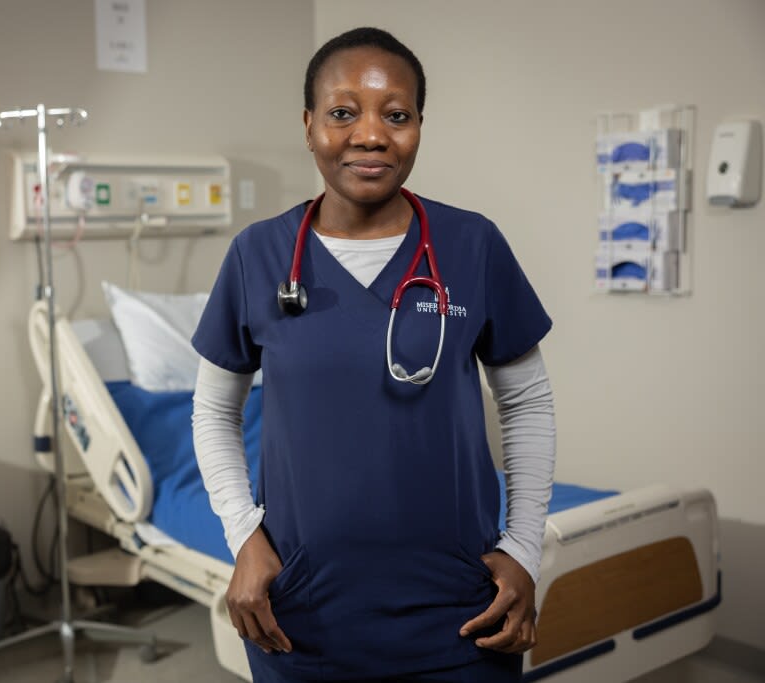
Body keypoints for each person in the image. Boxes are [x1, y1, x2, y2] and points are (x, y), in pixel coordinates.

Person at [191, 27, 555, 683]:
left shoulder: (472, 244)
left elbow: (527, 399)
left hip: (463, 613)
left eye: (396, 115)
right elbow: (214, 409)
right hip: (301, 617)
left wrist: (526, 545)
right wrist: (244, 536)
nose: (370, 135)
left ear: (419, 125)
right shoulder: (258, 255)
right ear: (308, 125)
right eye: (342, 112)